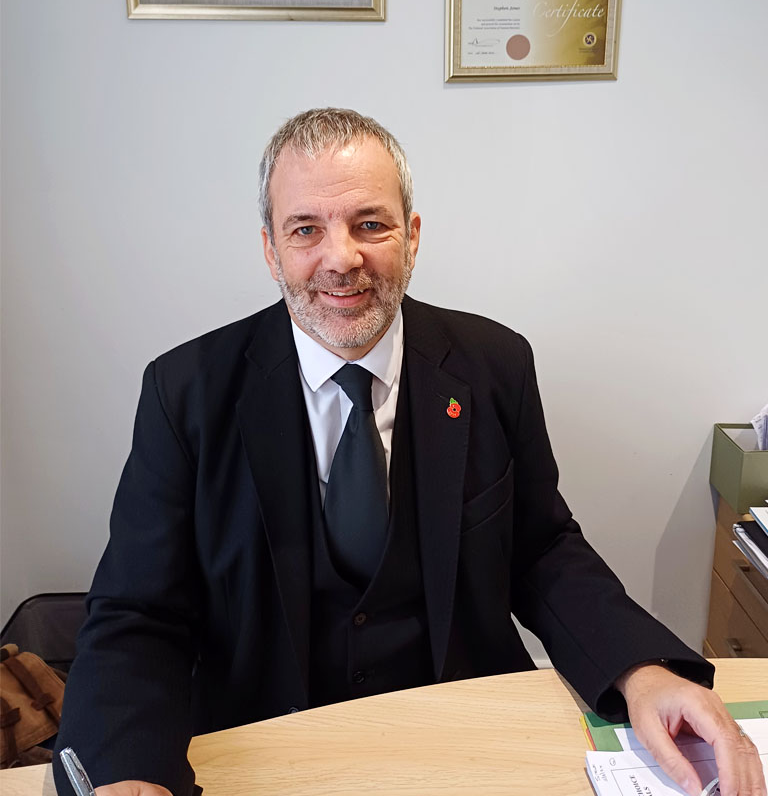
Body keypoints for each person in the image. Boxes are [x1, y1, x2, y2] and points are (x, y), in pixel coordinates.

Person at [54, 108, 762, 796]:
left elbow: (542, 550)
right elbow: (137, 612)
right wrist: (126, 768)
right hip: (263, 745)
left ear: (412, 237)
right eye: (306, 229)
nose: (341, 258)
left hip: (462, 732)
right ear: (271, 249)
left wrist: (642, 670)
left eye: (370, 224)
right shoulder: (187, 393)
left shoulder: (493, 365)